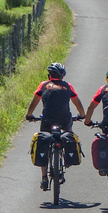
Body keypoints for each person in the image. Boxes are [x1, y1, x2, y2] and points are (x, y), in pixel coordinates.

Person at [25, 62, 85, 190]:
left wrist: (29, 115)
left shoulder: (43, 85)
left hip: (47, 119)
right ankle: (67, 154)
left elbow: (34, 101)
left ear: (49, 75)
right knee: (69, 133)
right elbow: (77, 102)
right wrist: (82, 115)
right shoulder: (68, 86)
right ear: (62, 76)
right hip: (65, 119)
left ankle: (44, 178)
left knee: (44, 142)